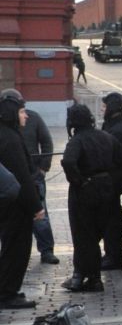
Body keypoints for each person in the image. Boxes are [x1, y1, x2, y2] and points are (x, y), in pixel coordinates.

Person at [61, 105, 122, 293]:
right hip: (106, 188)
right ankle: (90, 276)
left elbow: (68, 161)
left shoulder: (77, 140)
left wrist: (78, 181)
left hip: (85, 190)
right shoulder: (106, 137)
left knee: (84, 234)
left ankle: (88, 278)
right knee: (97, 231)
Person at [0, 90, 58, 265]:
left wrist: (43, 168)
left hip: (32, 174)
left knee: (40, 214)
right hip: (10, 180)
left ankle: (46, 250)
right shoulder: (6, 129)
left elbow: (46, 141)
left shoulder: (33, 118)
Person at [0, 96, 43, 308]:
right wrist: (36, 206)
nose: (25, 115)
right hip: (16, 204)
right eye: (22, 112)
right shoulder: (9, 138)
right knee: (16, 248)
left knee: (10, 246)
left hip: (8, 201)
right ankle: (7, 293)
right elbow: (22, 176)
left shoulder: (6, 134)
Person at [99, 90, 122, 271]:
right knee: (108, 218)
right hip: (110, 178)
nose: (101, 110)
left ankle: (114, 256)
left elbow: (114, 156)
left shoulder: (119, 130)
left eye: (104, 106)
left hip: (113, 179)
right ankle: (111, 254)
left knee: (112, 220)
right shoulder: (113, 125)